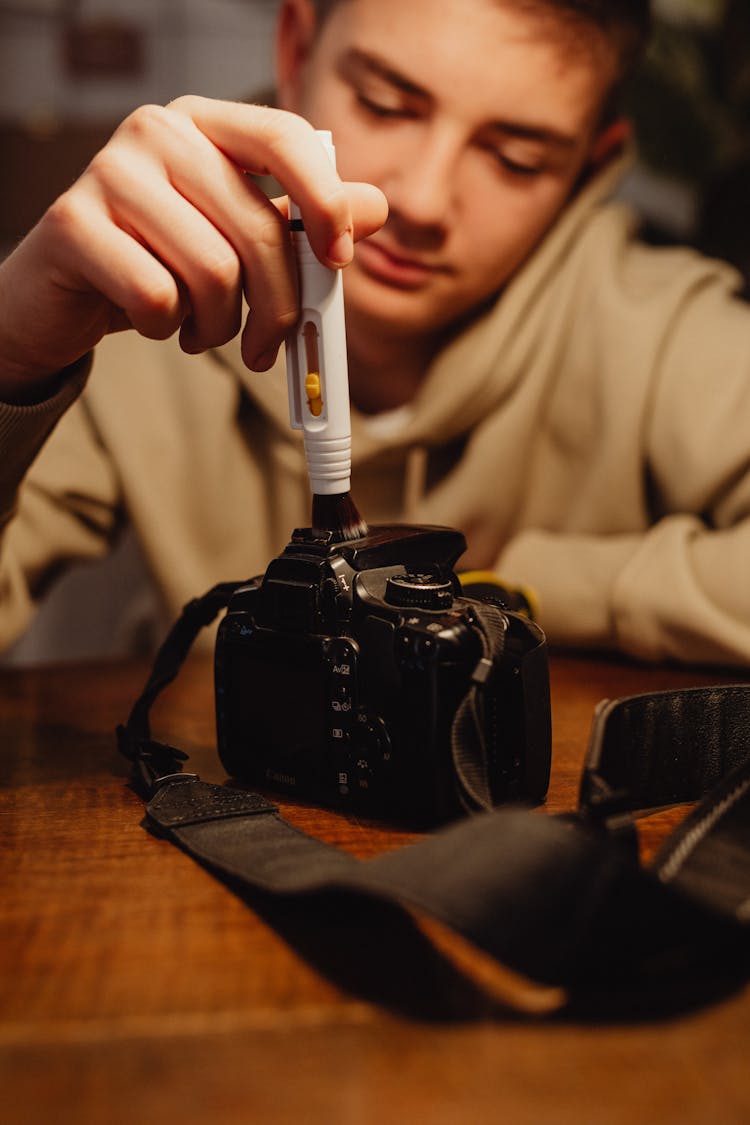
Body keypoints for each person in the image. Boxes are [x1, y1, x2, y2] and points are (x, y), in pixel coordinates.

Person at [0, 0, 748, 666]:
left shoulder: (663, 331)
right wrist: (11, 359)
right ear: (296, 48)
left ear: (591, 163)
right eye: (386, 104)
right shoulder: (138, 308)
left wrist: (517, 586)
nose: (421, 199)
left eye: (516, 159)